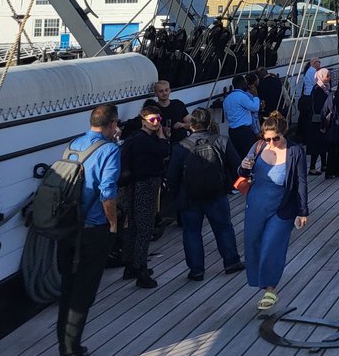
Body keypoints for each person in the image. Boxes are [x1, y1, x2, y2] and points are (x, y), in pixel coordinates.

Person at [55, 104, 121, 356]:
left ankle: (68, 349)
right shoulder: (109, 150)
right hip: (93, 229)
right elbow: (107, 192)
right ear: (112, 124)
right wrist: (113, 223)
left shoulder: (73, 145)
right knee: (83, 293)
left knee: (68, 289)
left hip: (68, 227)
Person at [240, 112, 308, 311]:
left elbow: (301, 182)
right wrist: (243, 167)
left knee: (272, 245)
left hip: (282, 207)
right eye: (267, 138)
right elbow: (242, 172)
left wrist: (303, 211)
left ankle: (270, 290)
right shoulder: (258, 147)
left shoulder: (294, 151)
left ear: (283, 133)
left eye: (275, 138)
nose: (271, 142)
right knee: (253, 244)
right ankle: (260, 281)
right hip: (256, 205)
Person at [166, 108, 244, 280]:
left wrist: (177, 194)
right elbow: (237, 166)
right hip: (217, 194)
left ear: (191, 125)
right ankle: (231, 262)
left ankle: (197, 270)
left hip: (189, 196)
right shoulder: (223, 141)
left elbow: (172, 176)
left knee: (192, 232)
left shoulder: (181, 147)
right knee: (223, 228)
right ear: (210, 123)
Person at [120, 103, 170, 288]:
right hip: (145, 184)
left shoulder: (133, 138)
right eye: (153, 120)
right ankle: (141, 270)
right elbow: (164, 151)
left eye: (159, 120)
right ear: (144, 121)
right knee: (144, 228)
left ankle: (130, 265)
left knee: (133, 225)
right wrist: (163, 135)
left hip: (133, 184)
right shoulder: (147, 140)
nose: (156, 123)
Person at [224, 74, 261, 157]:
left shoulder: (227, 99)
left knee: (239, 155)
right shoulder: (242, 96)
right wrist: (255, 95)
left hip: (232, 131)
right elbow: (255, 108)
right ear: (243, 85)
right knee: (250, 155)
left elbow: (226, 116)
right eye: (245, 83)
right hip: (244, 132)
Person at [306, 67, 332, 175]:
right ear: (321, 76)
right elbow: (318, 106)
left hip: (322, 120)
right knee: (317, 143)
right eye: (327, 76)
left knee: (323, 143)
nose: (329, 78)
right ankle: (312, 167)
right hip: (318, 121)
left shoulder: (324, 88)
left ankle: (324, 164)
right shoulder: (318, 89)